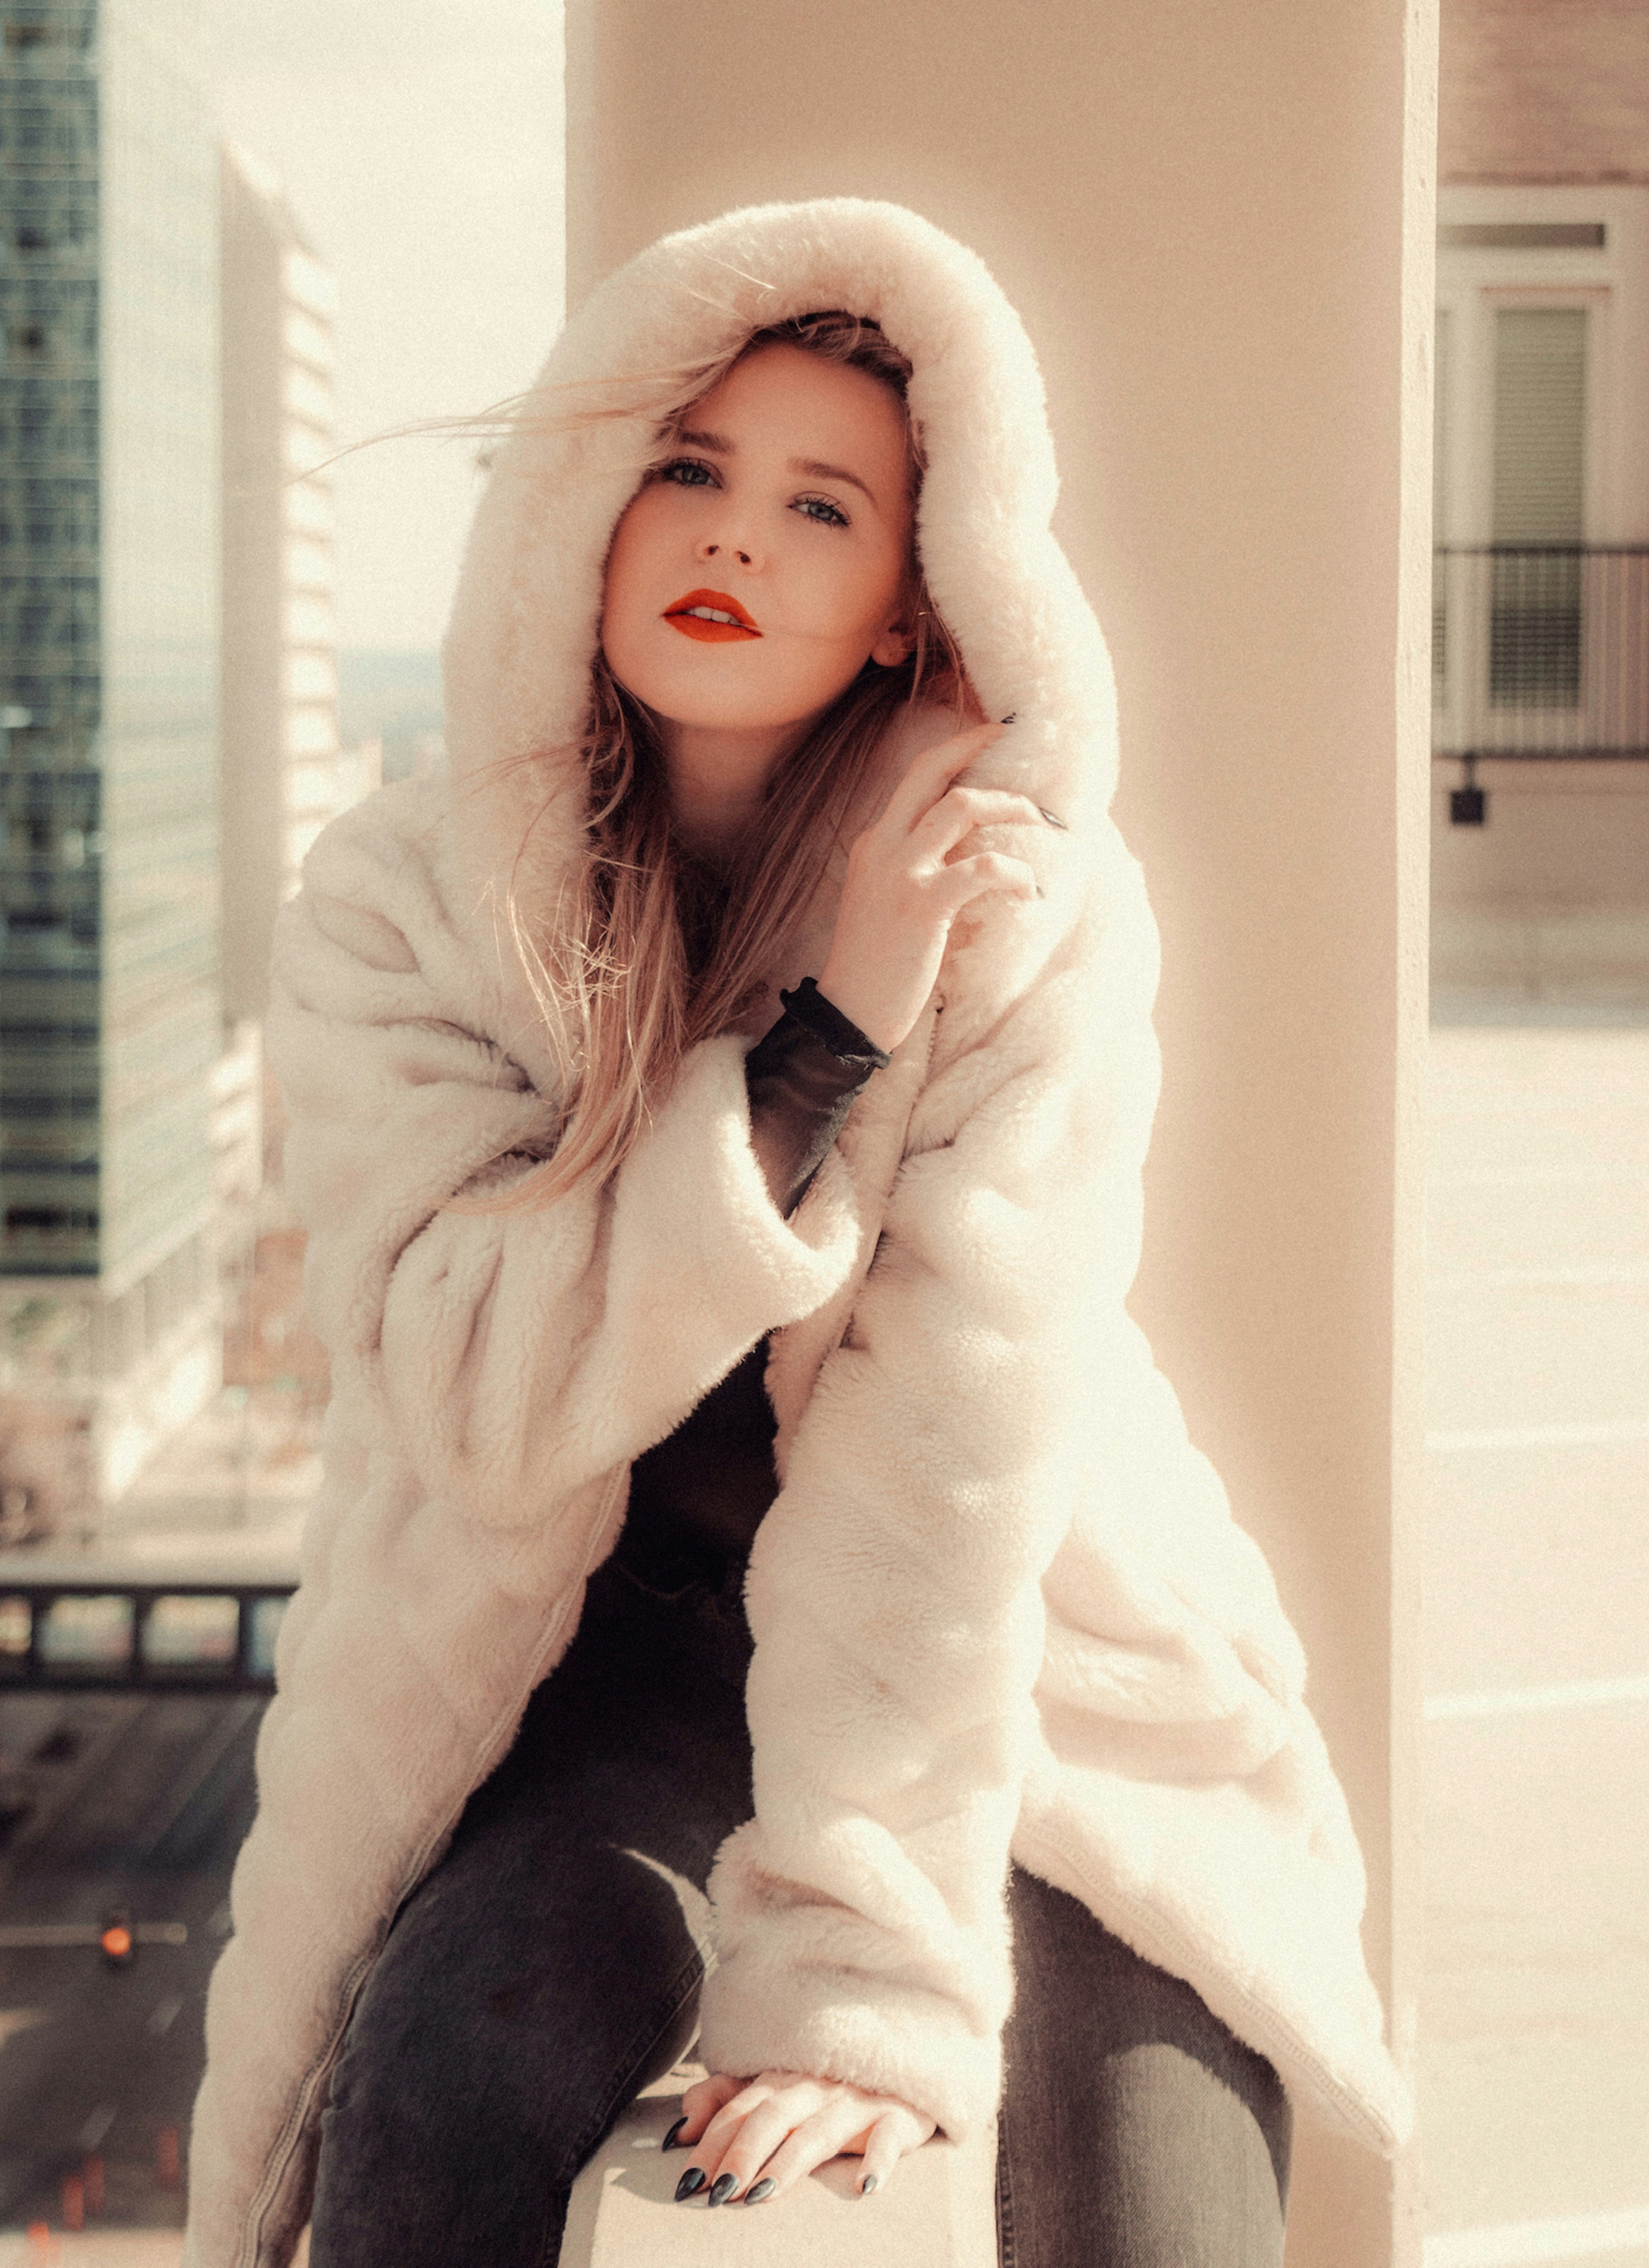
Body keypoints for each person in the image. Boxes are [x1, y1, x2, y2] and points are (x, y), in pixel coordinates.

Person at [183, 200, 1409, 2268]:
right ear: (587, 507)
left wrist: (859, 1967)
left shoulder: (1034, 906)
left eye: (820, 506)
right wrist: (820, 1034)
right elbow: (483, 1404)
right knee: (442, 2067)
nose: (734, 542)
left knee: (1164, 2185)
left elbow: (950, 1455)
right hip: (599, 1674)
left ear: (915, 606)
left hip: (1024, 1652)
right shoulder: (399, 904)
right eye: (689, 469)